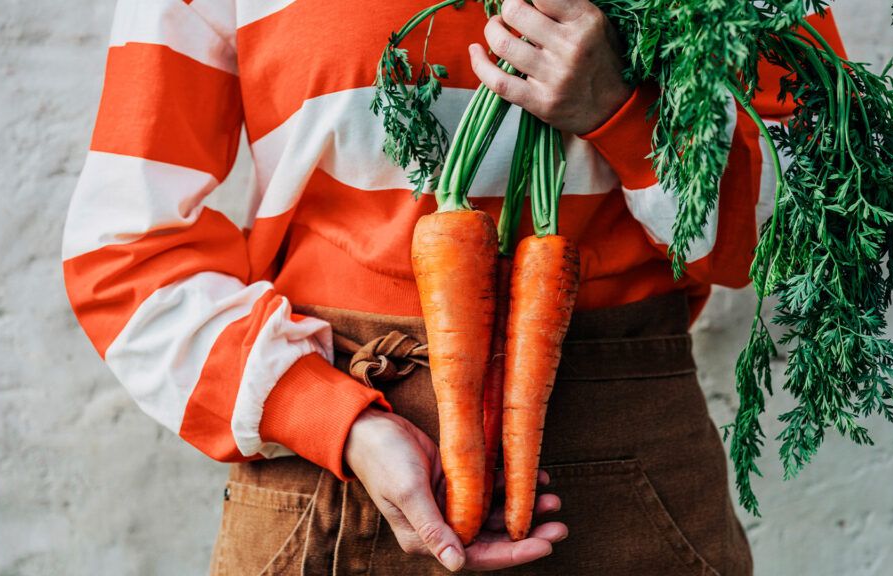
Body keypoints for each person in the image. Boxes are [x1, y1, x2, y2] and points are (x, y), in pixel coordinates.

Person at [63, 0, 847, 573]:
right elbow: (126, 252)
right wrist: (336, 419)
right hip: (328, 475)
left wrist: (622, 114)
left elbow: (821, 203)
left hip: (631, 469)